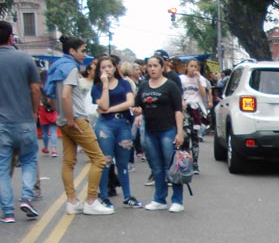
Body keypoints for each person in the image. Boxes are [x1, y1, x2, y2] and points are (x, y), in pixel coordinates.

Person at [46, 35, 113, 215]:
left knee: (68, 161)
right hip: (75, 119)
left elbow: (50, 95)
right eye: (83, 51)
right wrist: (70, 119)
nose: (85, 54)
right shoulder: (70, 68)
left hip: (64, 119)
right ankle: (91, 201)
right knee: (99, 159)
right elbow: (66, 95)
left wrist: (62, 117)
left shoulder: (56, 67)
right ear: (72, 51)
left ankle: (72, 201)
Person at [0, 20, 41, 223]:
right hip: (24, 120)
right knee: (29, 160)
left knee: (2, 167)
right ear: (11, 37)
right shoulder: (25, 58)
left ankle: (8, 212)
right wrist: (35, 113)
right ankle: (27, 197)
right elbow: (36, 88)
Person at [134, 55, 185, 212]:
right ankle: (159, 199)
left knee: (172, 166)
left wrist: (180, 132)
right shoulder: (143, 86)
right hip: (150, 131)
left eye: (155, 65)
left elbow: (178, 110)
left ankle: (177, 200)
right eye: (149, 66)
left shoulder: (170, 86)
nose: (152, 68)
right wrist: (138, 112)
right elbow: (138, 106)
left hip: (168, 130)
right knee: (156, 167)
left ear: (162, 67)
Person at [90, 55, 142, 208]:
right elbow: (103, 104)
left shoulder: (124, 84)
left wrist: (109, 109)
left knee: (123, 162)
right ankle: (104, 196)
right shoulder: (97, 87)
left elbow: (130, 102)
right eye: (103, 67)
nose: (107, 70)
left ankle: (127, 196)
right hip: (105, 126)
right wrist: (105, 85)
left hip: (122, 124)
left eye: (109, 66)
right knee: (106, 161)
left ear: (115, 68)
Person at [179, 59, 210, 173]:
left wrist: (198, 79)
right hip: (186, 109)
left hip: (196, 108)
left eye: (195, 67)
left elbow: (203, 95)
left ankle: (195, 164)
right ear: (187, 67)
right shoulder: (181, 79)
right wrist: (182, 102)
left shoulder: (201, 79)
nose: (193, 69)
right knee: (186, 136)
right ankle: (187, 162)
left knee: (195, 137)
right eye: (191, 66)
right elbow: (179, 92)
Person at [38, 71, 58, 158]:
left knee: (45, 132)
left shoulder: (39, 87)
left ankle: (46, 147)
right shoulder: (52, 85)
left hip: (42, 110)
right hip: (53, 109)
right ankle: (54, 150)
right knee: (53, 131)